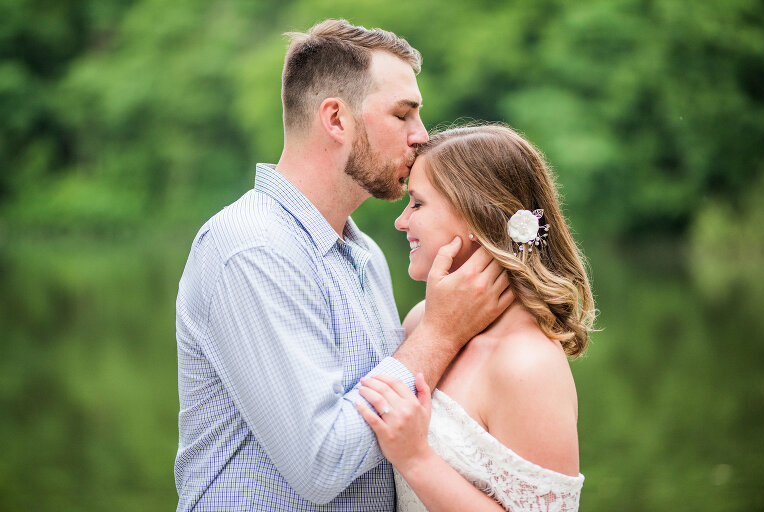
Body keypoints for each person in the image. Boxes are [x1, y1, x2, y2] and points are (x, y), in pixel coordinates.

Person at [174, 20, 513, 511]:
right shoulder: (251, 249)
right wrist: (440, 333)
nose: (422, 136)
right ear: (336, 119)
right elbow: (323, 463)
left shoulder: (367, 255)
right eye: (403, 115)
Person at [356, 124, 595, 511]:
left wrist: (417, 459)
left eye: (417, 204)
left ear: (475, 215)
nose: (401, 221)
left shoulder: (527, 364)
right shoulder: (421, 323)